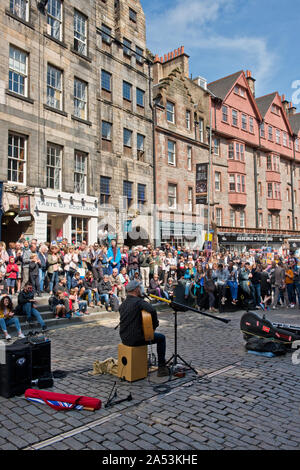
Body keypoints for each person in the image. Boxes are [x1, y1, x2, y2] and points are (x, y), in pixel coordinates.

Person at [119, 280, 169, 377]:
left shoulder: (123, 304)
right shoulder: (139, 302)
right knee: (161, 338)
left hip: (124, 338)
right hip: (136, 338)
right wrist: (154, 326)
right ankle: (162, 368)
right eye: (139, 287)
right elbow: (152, 310)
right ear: (136, 290)